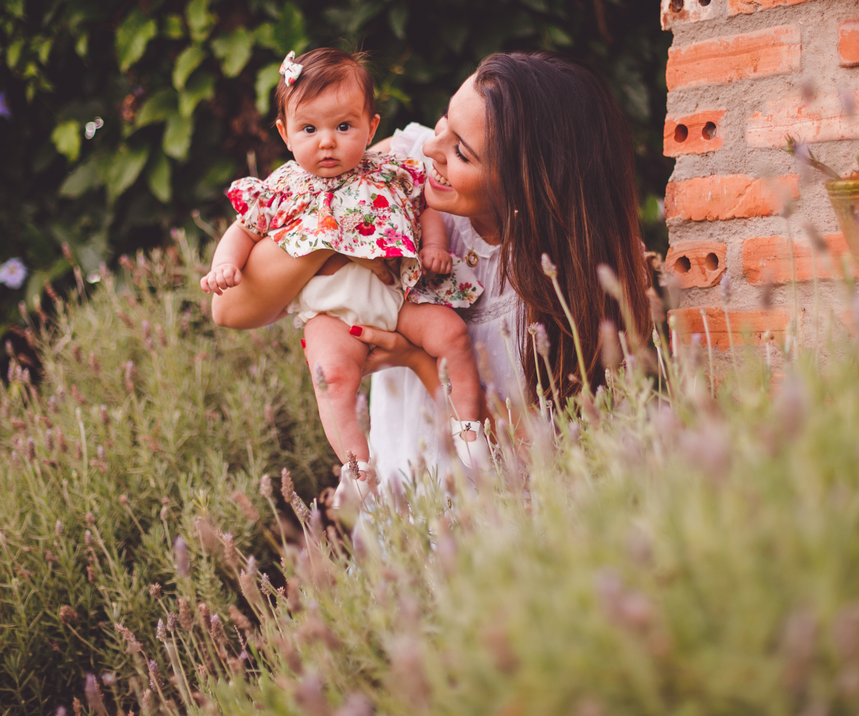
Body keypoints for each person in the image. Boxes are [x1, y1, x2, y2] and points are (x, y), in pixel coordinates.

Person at [210, 50, 653, 490]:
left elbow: (530, 460)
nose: (430, 149)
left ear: (527, 180)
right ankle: (357, 469)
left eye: (460, 152)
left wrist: (418, 360)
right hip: (399, 500)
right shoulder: (389, 166)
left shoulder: (572, 285)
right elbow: (229, 309)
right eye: (444, 122)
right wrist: (342, 237)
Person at [200, 48, 490, 503]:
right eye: (309, 129)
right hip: (330, 312)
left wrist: (433, 247)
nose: (327, 142)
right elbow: (243, 231)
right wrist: (226, 265)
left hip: (398, 297)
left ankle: (469, 432)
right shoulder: (281, 187)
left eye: (343, 127)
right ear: (284, 133)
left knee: (452, 333)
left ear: (371, 126)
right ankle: (358, 467)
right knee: (330, 377)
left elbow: (424, 207)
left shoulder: (393, 171)